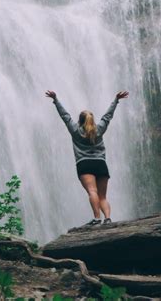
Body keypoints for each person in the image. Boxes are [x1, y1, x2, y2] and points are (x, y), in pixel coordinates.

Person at [45, 90, 129, 226]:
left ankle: (97, 218)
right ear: (92, 120)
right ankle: (108, 219)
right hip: (101, 164)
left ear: (80, 120)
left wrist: (56, 100)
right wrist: (116, 100)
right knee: (103, 196)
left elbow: (65, 116)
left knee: (92, 191)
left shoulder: (75, 130)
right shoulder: (99, 129)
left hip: (84, 164)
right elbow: (108, 117)